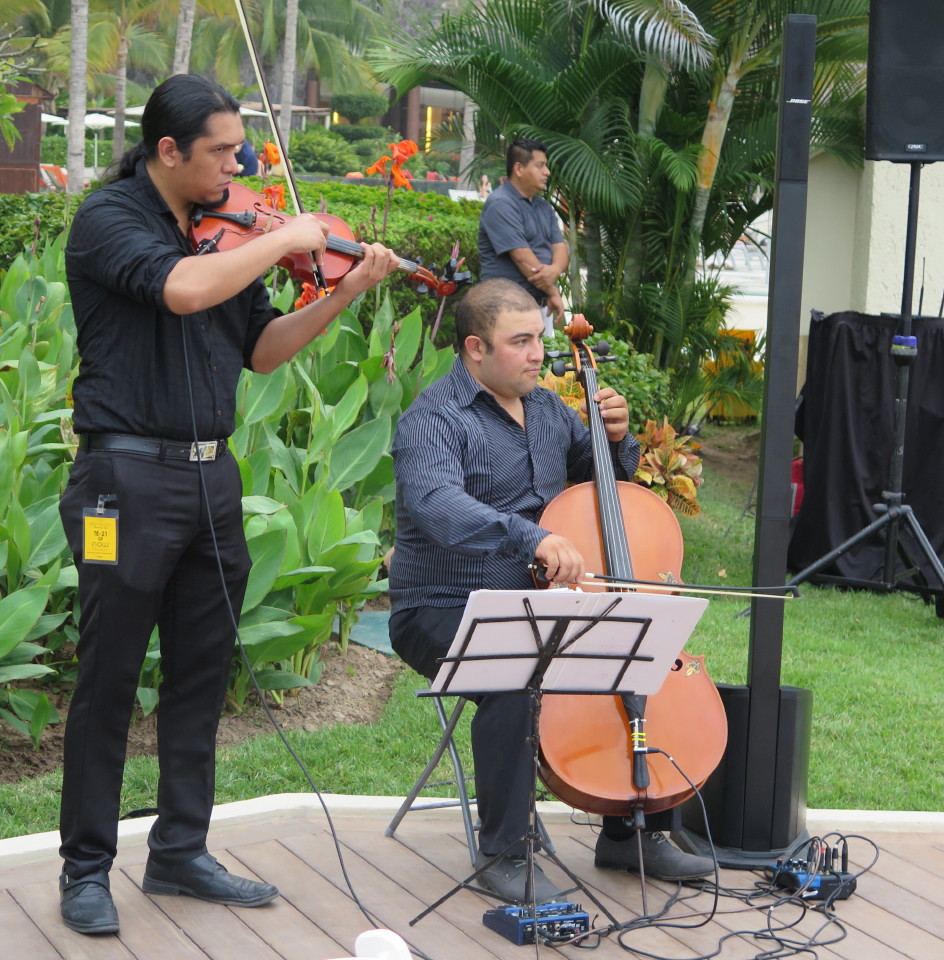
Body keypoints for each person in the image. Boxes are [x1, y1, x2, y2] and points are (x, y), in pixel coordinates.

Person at [57, 73, 398, 936]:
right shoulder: (110, 220)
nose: (238, 167)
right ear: (168, 150)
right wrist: (292, 236)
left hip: (210, 479)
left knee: (202, 673)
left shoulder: (228, 232)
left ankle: (179, 850)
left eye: (240, 150)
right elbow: (181, 289)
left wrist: (341, 291)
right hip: (122, 481)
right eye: (221, 152)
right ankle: (85, 867)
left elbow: (262, 350)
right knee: (107, 677)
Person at [388, 279, 710, 903]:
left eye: (539, 338)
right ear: (476, 348)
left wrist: (615, 440)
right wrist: (531, 537)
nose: (539, 354)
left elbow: (602, 485)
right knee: (515, 674)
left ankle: (633, 833)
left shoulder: (548, 412)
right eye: (521, 342)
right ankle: (504, 853)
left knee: (634, 645)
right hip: (443, 605)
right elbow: (436, 507)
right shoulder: (433, 419)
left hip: (543, 600)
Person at [476, 138, 569, 337]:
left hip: (539, 307)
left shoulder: (544, 207)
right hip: (506, 309)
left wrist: (554, 270)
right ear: (518, 168)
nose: (547, 172)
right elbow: (522, 257)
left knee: (544, 357)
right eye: (540, 166)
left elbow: (560, 247)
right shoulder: (501, 203)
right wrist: (552, 291)